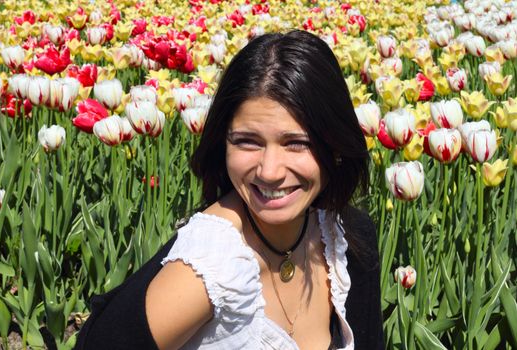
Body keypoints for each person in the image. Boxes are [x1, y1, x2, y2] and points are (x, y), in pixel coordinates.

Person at [75, 30, 384, 350]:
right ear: (223, 143)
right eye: (248, 141)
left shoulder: (346, 239)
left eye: (297, 143)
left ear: (335, 145)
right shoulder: (212, 267)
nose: (269, 171)